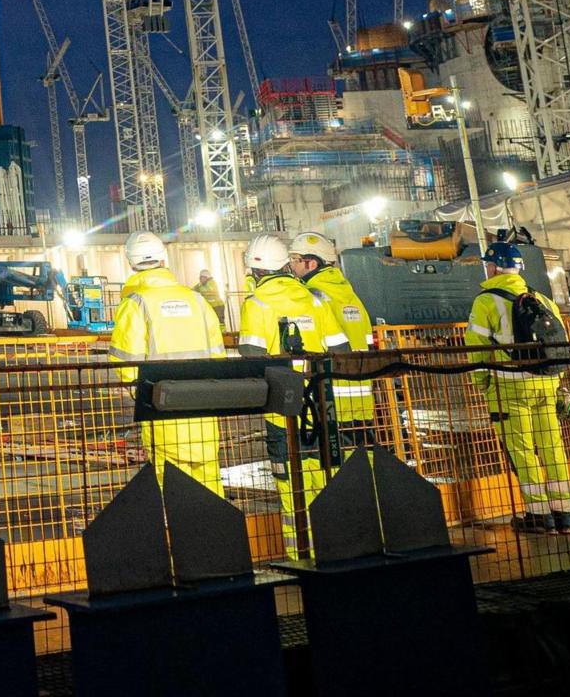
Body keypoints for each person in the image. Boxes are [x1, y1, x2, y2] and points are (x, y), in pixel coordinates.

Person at [236, 233, 348, 559]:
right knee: (325, 479)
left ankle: (302, 557)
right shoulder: (315, 300)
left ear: (255, 272)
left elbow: (251, 358)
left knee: (292, 488)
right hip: (321, 405)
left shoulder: (256, 304)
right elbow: (341, 350)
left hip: (281, 413)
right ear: (286, 264)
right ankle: (337, 551)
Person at [466, 241, 570, 533]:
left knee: (523, 450)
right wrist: (559, 384)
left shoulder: (486, 301)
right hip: (547, 381)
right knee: (552, 447)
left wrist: (482, 382)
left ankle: (539, 516)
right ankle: (564, 514)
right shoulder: (540, 298)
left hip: (511, 386)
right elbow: (557, 343)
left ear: (493, 267)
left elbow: (476, 348)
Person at [107, 232, 227, 495]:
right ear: (164, 260)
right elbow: (218, 357)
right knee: (211, 489)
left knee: (169, 489)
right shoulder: (197, 300)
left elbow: (126, 365)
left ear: (131, 264)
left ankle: (177, 536)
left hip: (162, 410)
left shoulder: (136, 304)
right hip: (204, 409)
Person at [289, 233, 378, 453]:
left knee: (335, 464)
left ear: (312, 263)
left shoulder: (312, 295)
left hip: (329, 396)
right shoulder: (350, 295)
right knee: (364, 456)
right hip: (360, 394)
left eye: (295, 260)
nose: (291, 265)